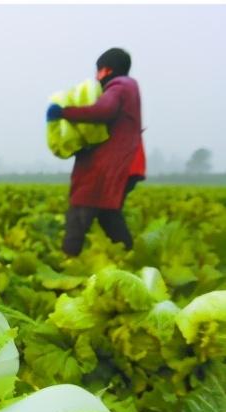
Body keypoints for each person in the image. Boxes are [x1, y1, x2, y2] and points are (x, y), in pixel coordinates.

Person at [47, 47, 143, 256]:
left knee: (81, 210)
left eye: (98, 71)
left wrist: (64, 112)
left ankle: (69, 261)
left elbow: (104, 110)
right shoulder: (130, 88)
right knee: (108, 213)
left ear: (106, 70)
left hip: (108, 165)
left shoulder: (119, 87)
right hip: (124, 162)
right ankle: (132, 258)